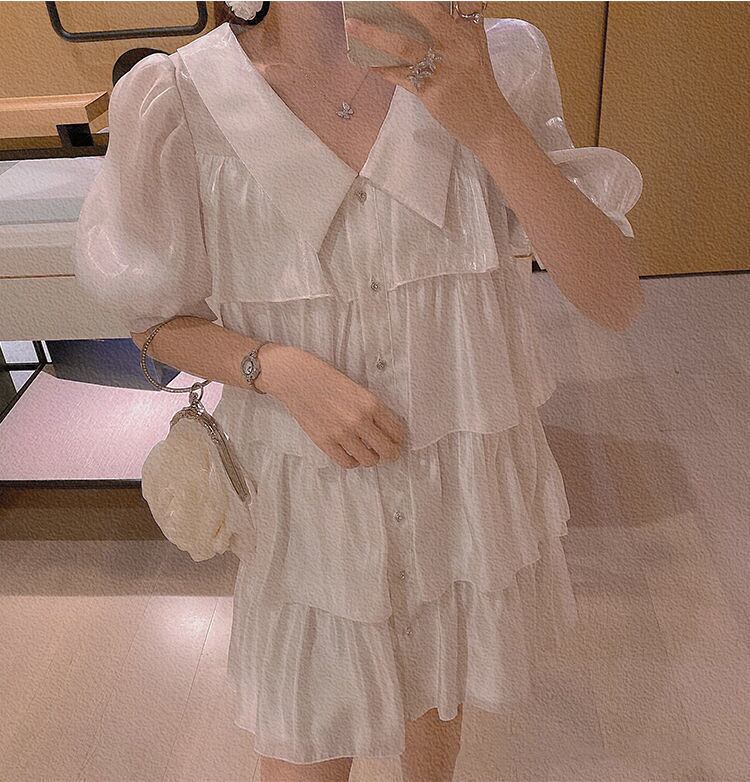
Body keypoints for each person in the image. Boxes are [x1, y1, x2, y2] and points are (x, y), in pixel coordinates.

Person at [72, 2, 644, 780]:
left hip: (457, 497)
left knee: (437, 700)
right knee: (304, 741)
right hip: (310, 510)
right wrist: (274, 366)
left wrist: (488, 123)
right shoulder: (181, 100)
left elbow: (614, 298)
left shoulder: (494, 62)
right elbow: (149, 319)